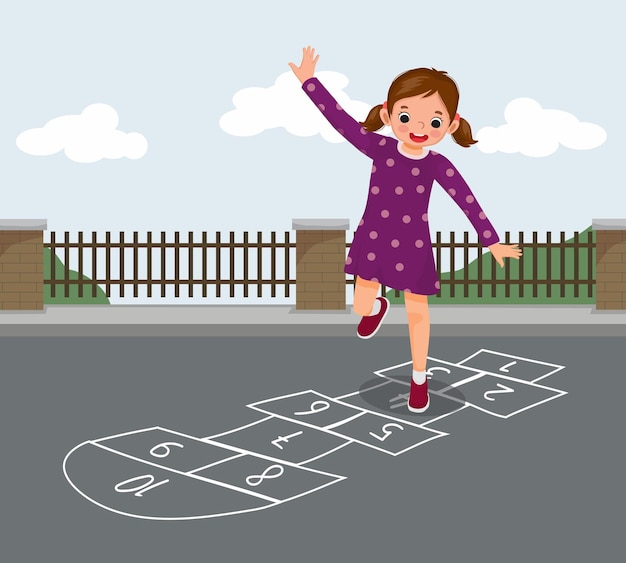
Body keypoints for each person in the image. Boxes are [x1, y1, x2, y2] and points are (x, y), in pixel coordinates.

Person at [288, 47, 521, 413]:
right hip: (374, 240)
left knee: (418, 313)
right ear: (388, 113)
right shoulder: (378, 147)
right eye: (407, 115)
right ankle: (377, 305)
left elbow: (467, 201)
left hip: (413, 246)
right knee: (360, 305)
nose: (418, 129)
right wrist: (310, 83)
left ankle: (419, 378)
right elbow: (341, 121)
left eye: (433, 122)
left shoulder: (439, 165)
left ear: (451, 124)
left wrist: (492, 242)